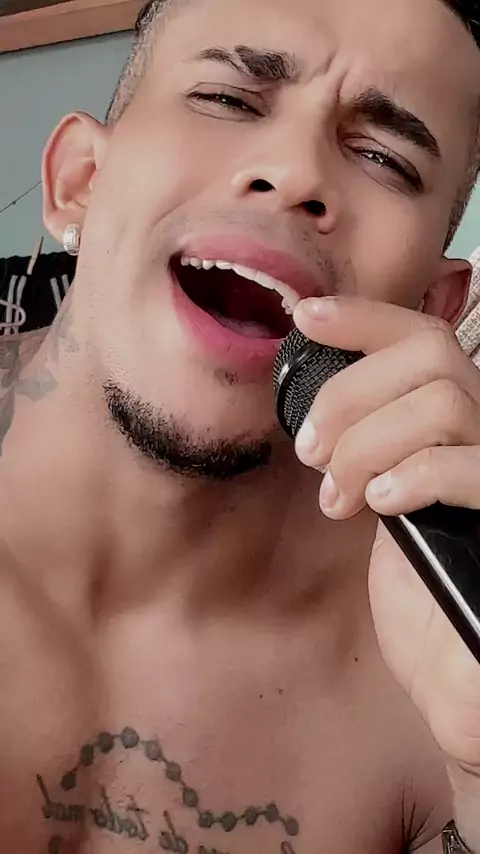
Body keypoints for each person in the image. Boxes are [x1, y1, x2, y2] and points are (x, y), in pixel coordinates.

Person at [2, 0, 480, 850]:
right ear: (80, 180)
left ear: (435, 310)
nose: (295, 173)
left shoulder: (438, 663)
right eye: (227, 98)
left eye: (383, 157)